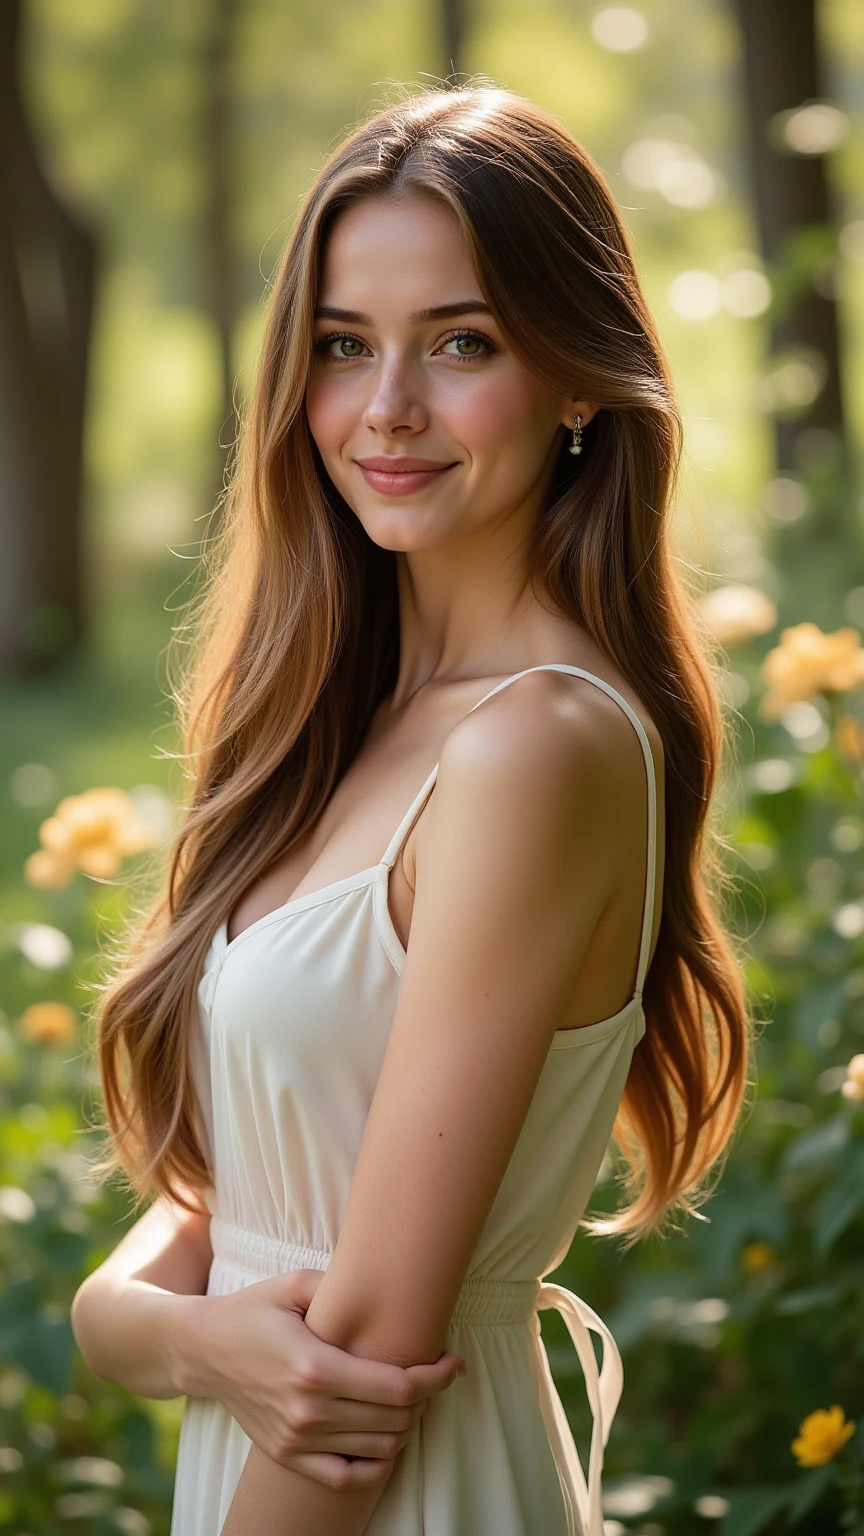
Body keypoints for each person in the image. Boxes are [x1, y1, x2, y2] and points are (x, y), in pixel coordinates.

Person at [71, 82, 751, 1536]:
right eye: (341, 346)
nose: (386, 406)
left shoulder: (538, 749)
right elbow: (203, 1220)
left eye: (461, 342)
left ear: (580, 377)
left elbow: (368, 1362)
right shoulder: (337, 729)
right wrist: (173, 1335)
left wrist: (169, 1334)